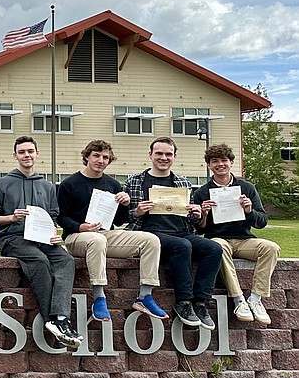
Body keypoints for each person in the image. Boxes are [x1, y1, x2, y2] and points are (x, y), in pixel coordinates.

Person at [57, 139, 165, 323]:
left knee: (151, 240)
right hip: (76, 237)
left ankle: (145, 296)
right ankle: (99, 298)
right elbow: (60, 217)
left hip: (105, 234)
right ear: (87, 157)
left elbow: (120, 221)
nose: (101, 160)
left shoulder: (113, 185)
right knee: (97, 241)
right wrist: (79, 227)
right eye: (96, 156)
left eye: (105, 157)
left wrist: (124, 204)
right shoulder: (69, 184)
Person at [0, 136, 82, 348]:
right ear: (15, 156)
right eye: (22, 152)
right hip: (13, 238)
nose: (26, 155)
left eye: (30, 151)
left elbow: (53, 216)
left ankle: (59, 319)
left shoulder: (47, 186)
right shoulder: (2, 184)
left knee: (66, 260)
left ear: (37, 154)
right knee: (39, 261)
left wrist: (55, 234)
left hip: (43, 239)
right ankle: (52, 320)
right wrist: (11, 217)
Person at [125, 137, 222, 330]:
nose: (163, 157)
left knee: (214, 248)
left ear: (174, 157)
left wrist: (197, 213)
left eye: (168, 154)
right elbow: (123, 217)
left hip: (182, 231)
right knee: (182, 247)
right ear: (150, 155)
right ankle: (183, 302)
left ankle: (200, 303)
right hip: (149, 233)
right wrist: (136, 212)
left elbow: (192, 220)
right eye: (159, 153)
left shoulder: (182, 182)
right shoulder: (135, 181)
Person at [193, 142, 279, 325]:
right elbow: (198, 230)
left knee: (271, 248)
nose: (220, 164)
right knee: (218, 246)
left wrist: (249, 211)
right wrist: (204, 214)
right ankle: (239, 300)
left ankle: (255, 300)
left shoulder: (247, 188)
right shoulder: (201, 192)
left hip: (244, 240)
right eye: (214, 161)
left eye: (224, 160)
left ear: (231, 162)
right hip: (217, 239)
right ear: (209, 165)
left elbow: (262, 221)